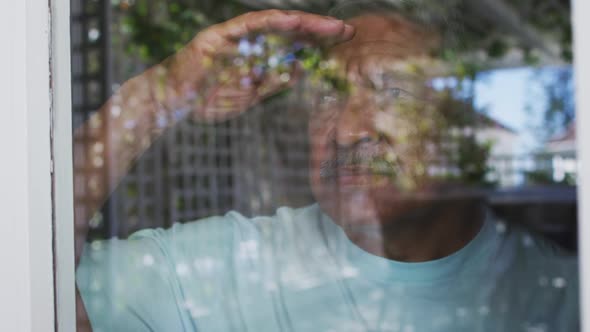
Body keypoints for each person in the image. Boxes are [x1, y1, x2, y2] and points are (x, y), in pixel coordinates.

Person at [75, 6, 579, 332]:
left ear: (466, 121)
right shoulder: (220, 272)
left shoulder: (565, 297)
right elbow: (30, 290)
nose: (347, 130)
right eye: (326, 96)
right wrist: (151, 99)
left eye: (393, 91)